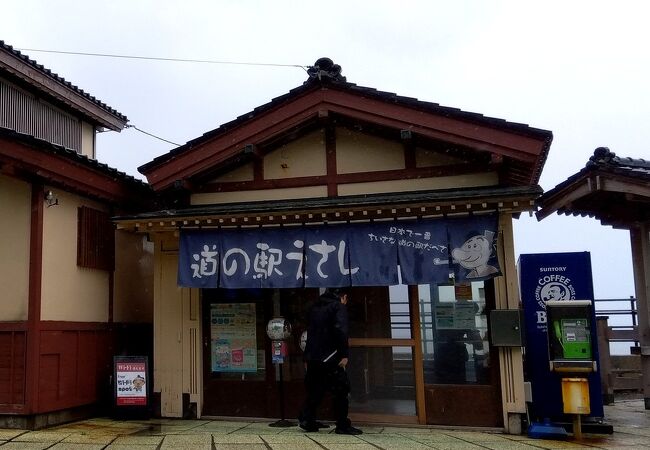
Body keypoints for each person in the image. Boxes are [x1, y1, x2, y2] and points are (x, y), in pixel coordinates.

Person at [298, 287, 362, 435]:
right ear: (343, 297)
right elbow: (340, 330)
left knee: (316, 390)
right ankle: (342, 424)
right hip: (330, 356)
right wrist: (344, 354)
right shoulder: (338, 307)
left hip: (312, 356)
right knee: (341, 389)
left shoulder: (315, 307)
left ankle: (307, 419)